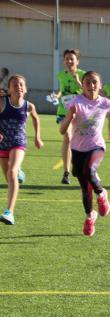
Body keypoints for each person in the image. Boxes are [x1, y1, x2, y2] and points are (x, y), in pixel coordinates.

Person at [60, 71, 110, 236]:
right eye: (87, 82)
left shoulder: (104, 103)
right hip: (77, 149)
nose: (91, 86)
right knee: (84, 186)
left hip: (96, 147)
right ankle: (90, 216)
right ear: (82, 85)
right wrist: (70, 116)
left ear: (100, 85)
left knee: (89, 171)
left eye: (94, 82)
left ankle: (102, 193)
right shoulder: (75, 102)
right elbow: (62, 130)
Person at [0, 75, 43, 225]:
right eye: (14, 85)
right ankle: (19, 173)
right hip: (2, 143)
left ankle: (9, 212)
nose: (18, 87)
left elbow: (36, 119)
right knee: (9, 176)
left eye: (21, 84)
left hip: (18, 142)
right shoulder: (2, 102)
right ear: (9, 89)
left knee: (11, 171)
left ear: (25, 89)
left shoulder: (29, 106)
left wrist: (37, 137)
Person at [54, 49, 85, 185]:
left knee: (77, 140)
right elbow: (61, 89)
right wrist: (57, 95)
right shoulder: (60, 75)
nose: (69, 61)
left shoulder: (83, 75)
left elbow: (89, 91)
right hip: (63, 111)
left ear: (77, 61)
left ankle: (76, 165)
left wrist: (78, 81)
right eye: (67, 58)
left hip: (79, 112)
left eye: (72, 59)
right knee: (67, 137)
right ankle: (66, 173)